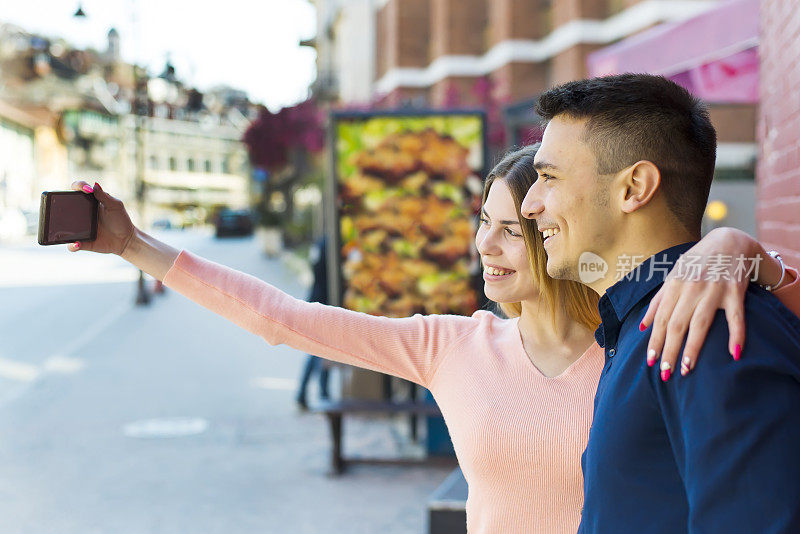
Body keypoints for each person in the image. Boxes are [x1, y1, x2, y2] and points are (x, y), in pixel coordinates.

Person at [67, 156, 798, 534]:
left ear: (555, 231)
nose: (486, 245)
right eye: (484, 222)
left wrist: (746, 253)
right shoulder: (451, 346)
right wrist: (133, 244)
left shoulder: (651, 337)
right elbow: (281, 318)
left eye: (511, 229)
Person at [521, 73, 800, 532]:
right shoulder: (638, 322)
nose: (531, 205)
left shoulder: (710, 327)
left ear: (634, 188)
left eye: (549, 177)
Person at [295, 236, 330, 410]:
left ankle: (321, 392)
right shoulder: (330, 244)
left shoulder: (320, 243)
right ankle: (315, 393)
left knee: (321, 350)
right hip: (323, 304)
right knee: (319, 351)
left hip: (316, 301)